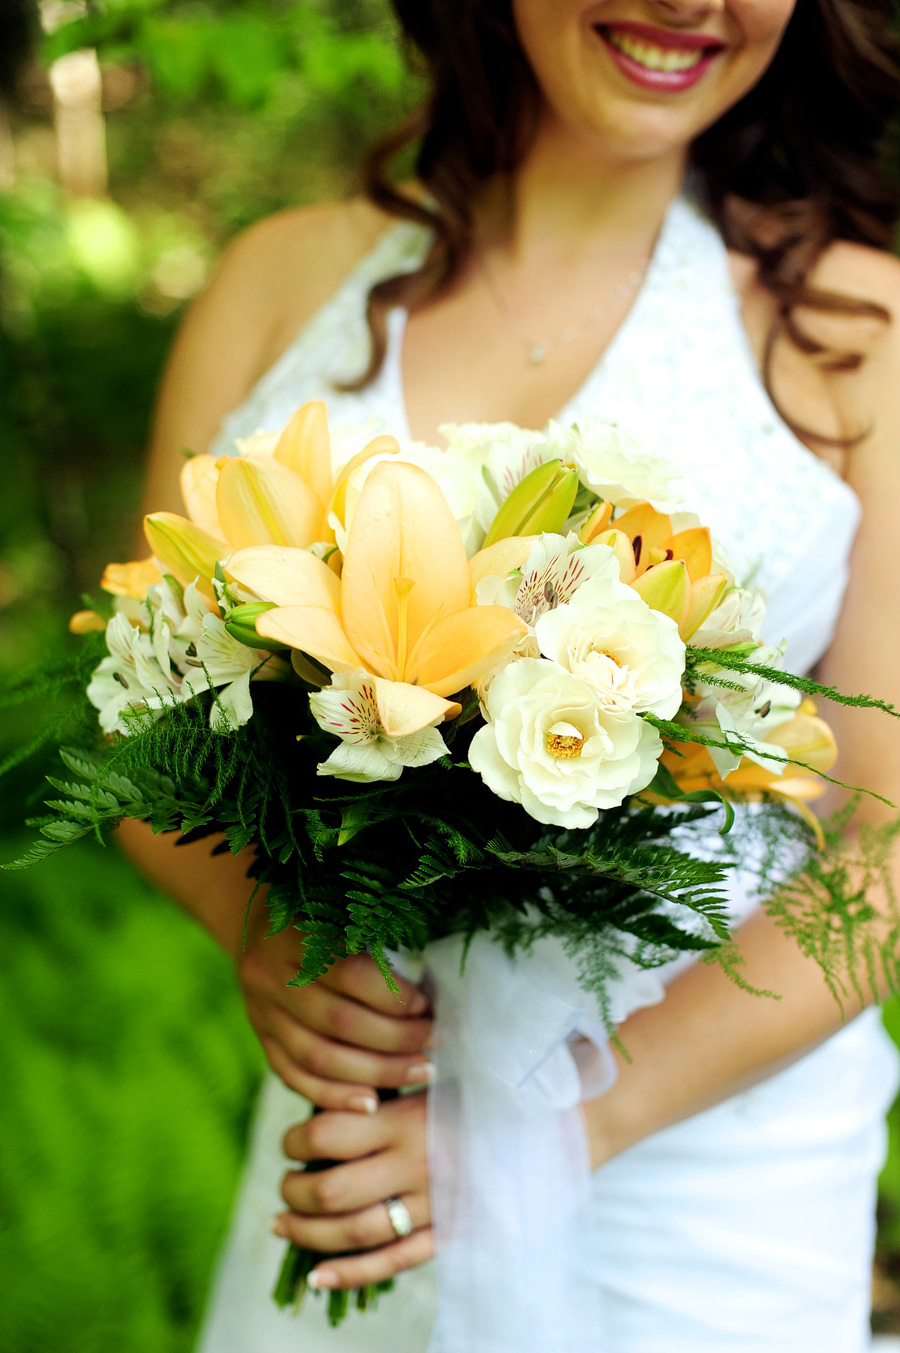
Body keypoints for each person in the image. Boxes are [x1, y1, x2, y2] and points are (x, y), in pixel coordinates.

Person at [119, 0, 900, 1347]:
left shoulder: (858, 327)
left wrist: (570, 1121)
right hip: (356, 1151)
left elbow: (890, 827)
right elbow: (139, 730)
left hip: (704, 1195)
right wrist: (269, 932)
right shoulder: (275, 284)